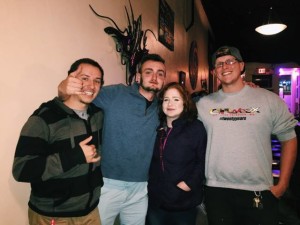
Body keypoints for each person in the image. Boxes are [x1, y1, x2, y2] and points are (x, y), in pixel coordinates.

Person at [58, 54, 166, 225]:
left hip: (141, 188)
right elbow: (80, 95)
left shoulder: (163, 106)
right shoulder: (115, 94)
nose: (154, 77)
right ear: (138, 76)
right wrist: (64, 87)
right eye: (148, 72)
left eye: (160, 73)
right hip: (108, 184)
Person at [196, 46, 298, 225]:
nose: (225, 66)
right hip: (216, 191)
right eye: (219, 64)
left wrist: (282, 185)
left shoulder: (268, 99)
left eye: (230, 61)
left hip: (259, 191)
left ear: (241, 65)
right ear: (214, 72)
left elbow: (289, 138)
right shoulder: (203, 105)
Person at [12, 58, 104, 225]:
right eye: (84, 78)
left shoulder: (97, 115)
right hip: (54, 216)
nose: (91, 85)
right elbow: (21, 170)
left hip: (90, 211)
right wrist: (75, 155)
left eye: (97, 81)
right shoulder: (43, 118)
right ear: (71, 79)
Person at [146, 82, 207, 225]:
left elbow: (203, 160)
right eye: (166, 99)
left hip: (183, 201)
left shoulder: (195, 128)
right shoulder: (156, 127)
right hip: (156, 201)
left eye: (176, 99)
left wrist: (188, 184)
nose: (170, 104)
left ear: (185, 102)